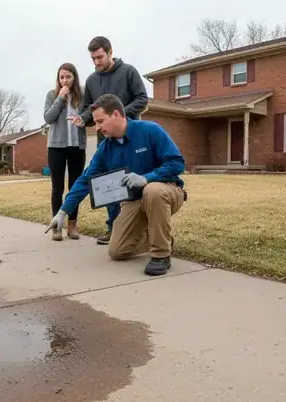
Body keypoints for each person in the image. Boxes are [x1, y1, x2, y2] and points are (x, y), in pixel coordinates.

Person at [48, 94, 186, 276]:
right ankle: (160, 236)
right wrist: (63, 212)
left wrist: (147, 178)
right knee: (117, 251)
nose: (97, 127)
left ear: (115, 114)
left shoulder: (150, 130)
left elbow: (177, 163)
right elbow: (85, 180)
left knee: (152, 191)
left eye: (100, 121)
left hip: (166, 191)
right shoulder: (106, 148)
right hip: (135, 201)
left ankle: (161, 255)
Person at [68, 36, 149, 246]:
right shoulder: (92, 81)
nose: (96, 62)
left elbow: (142, 99)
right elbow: (89, 108)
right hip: (107, 140)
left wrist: (119, 115)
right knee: (109, 182)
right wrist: (83, 118)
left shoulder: (128, 71)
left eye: (100, 57)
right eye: (93, 58)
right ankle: (113, 227)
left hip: (130, 136)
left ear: (110, 52)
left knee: (133, 182)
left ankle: (142, 227)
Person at [43, 63, 87, 241]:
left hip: (77, 146)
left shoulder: (82, 95)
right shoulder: (52, 94)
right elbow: (48, 117)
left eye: (68, 77)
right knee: (57, 187)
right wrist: (60, 99)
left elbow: (88, 116)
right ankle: (57, 226)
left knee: (75, 187)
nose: (65, 80)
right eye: (61, 77)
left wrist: (82, 121)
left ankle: (72, 224)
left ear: (74, 77)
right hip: (56, 147)